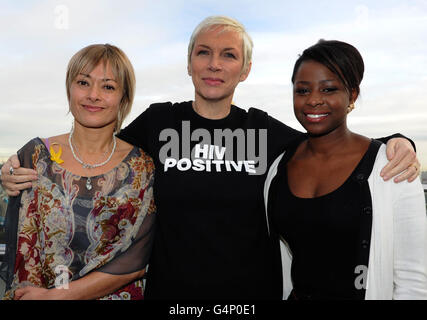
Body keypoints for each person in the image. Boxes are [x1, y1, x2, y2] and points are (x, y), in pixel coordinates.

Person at [0, 16, 420, 300]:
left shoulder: (265, 131)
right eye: (203, 53)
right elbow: (97, 153)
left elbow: (328, 136)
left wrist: (396, 141)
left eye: (229, 55)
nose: (214, 64)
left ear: (246, 69)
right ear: (188, 63)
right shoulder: (157, 122)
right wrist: (16, 167)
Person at [264, 40, 427, 300]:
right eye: (302, 90)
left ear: (351, 95)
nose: (314, 100)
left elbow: (413, 281)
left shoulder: (392, 167)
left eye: (328, 89)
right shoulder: (278, 169)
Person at [1, 44, 156, 300]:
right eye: (83, 82)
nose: (93, 95)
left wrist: (60, 297)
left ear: (123, 97)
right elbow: (24, 253)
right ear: (69, 89)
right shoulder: (35, 156)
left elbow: (137, 258)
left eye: (108, 86)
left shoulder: (143, 167)